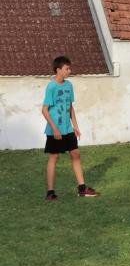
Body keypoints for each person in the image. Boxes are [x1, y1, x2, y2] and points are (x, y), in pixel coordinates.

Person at [41, 56, 98, 201]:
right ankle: (50, 193)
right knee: (54, 157)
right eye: (67, 68)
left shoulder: (69, 86)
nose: (69, 71)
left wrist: (76, 126)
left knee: (76, 154)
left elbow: (70, 107)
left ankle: (82, 188)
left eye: (69, 68)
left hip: (68, 129)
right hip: (55, 130)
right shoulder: (51, 87)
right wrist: (54, 129)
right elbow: (44, 110)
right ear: (58, 70)